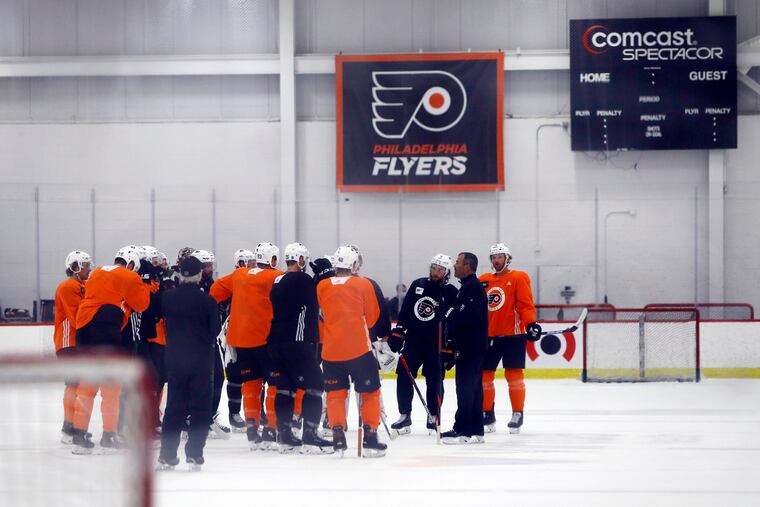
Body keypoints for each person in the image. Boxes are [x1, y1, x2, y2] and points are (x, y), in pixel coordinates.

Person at [72, 245, 150, 454]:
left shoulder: (97, 271)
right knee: (111, 388)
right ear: (132, 263)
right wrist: (143, 284)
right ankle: (109, 437)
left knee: (87, 385)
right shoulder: (129, 276)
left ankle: (79, 436)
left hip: (83, 326)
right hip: (105, 327)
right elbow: (142, 304)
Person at [210, 242, 283, 450]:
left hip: (240, 340)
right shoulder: (276, 276)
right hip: (266, 339)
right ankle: (271, 428)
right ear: (273, 259)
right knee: (274, 385)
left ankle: (252, 427)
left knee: (251, 382)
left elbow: (215, 291)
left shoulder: (239, 274)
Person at [317, 246, 386, 457]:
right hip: (359, 350)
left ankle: (337, 435)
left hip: (330, 351)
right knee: (370, 393)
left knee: (335, 394)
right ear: (354, 264)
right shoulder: (363, 284)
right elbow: (373, 317)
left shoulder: (321, 285)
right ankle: (371, 438)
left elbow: (321, 317)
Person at [267, 242, 333, 454]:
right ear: (302, 260)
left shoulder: (277, 280)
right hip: (298, 341)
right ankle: (310, 435)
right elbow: (316, 299)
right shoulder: (304, 279)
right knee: (316, 385)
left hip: (276, 342)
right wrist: (323, 276)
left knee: (285, 388)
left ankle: (284, 435)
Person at [158, 256, 221, 471]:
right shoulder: (208, 301)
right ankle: (194, 454)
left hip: (175, 360)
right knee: (200, 409)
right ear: (199, 274)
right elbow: (216, 330)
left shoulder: (168, 298)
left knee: (174, 408)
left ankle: (167, 456)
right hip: (201, 361)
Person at [387, 254, 457, 435]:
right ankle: (405, 415)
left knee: (434, 380)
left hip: (436, 345)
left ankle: (433, 415)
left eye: (440, 270)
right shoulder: (418, 284)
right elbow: (406, 311)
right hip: (413, 342)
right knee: (404, 374)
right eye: (433, 268)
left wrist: (449, 347)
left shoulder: (451, 292)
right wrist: (398, 332)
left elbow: (453, 321)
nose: (435, 272)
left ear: (447, 272)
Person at [479, 243, 540, 434]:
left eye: (499, 256)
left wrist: (530, 324)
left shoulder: (518, 277)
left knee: (513, 377)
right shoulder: (483, 280)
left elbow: (525, 304)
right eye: (493, 257)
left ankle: (517, 413)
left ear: (508, 258)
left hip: (513, 335)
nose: (496, 260)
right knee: (484, 377)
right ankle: (487, 413)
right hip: (488, 336)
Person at [441, 252, 488, 444]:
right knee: (474, 388)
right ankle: (476, 430)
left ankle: (463, 430)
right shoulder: (467, 287)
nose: (454, 265)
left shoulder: (473, 288)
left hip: (470, 347)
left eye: (458, 262)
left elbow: (467, 316)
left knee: (466, 388)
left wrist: (450, 313)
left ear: (468, 266)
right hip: (471, 346)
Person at [192, 249, 231, 440]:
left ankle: (209, 416)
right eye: (206, 265)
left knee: (217, 378)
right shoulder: (190, 286)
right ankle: (190, 416)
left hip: (211, 340)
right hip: (193, 342)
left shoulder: (214, 285)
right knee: (195, 380)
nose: (210, 269)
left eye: (211, 265)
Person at [54, 250, 92, 444]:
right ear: (75, 266)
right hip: (69, 342)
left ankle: (75, 424)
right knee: (74, 383)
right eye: (85, 264)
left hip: (77, 342)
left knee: (79, 384)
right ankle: (68, 427)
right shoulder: (68, 286)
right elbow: (78, 318)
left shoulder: (81, 285)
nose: (89, 268)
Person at [224, 248, 255, 432]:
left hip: (253, 332)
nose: (253, 267)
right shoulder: (233, 279)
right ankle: (234, 413)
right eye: (250, 263)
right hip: (235, 333)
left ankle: (255, 413)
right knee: (235, 374)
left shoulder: (254, 278)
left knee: (255, 374)